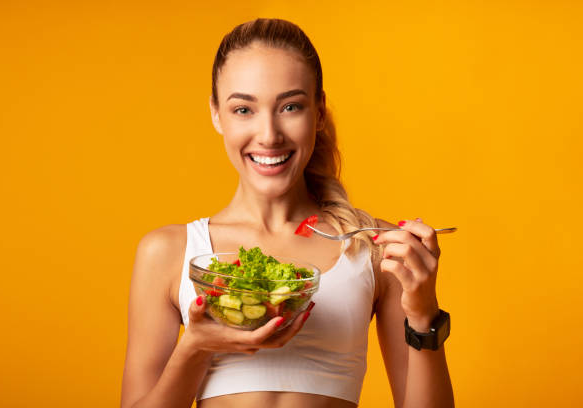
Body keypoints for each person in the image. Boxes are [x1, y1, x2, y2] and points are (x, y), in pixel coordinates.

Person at [120, 18, 454, 408]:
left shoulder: (374, 249)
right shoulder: (169, 252)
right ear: (216, 114)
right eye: (243, 109)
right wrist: (195, 347)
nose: (268, 134)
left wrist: (422, 314)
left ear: (319, 111)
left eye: (290, 106)